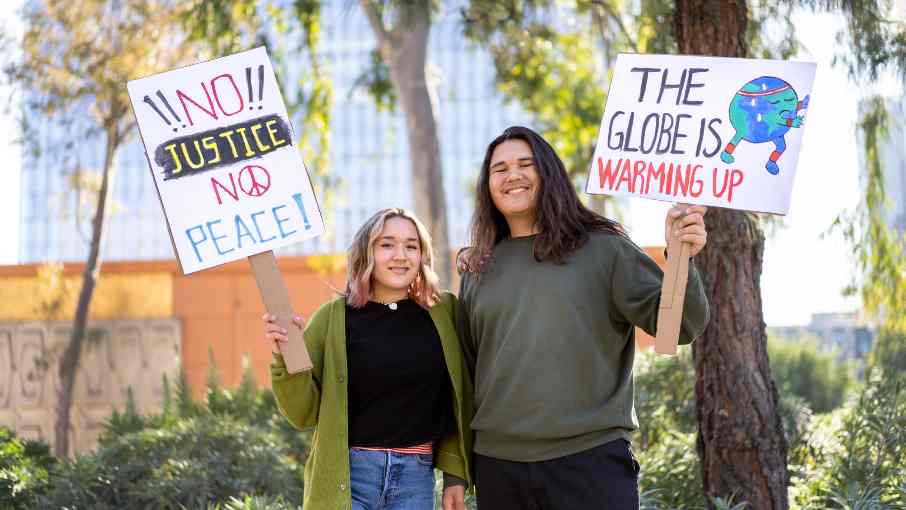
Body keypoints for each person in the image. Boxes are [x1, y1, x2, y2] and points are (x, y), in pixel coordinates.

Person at [456, 126, 710, 509]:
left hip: (590, 462)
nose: (513, 175)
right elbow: (466, 373)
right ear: (488, 184)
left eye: (526, 164)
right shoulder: (477, 269)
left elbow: (679, 327)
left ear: (549, 173)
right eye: (500, 168)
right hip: (499, 468)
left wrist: (681, 258)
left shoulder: (604, 250)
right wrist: (458, 470)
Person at [264, 208, 472, 510]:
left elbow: (458, 398)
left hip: (415, 479)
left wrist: (455, 475)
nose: (400, 255)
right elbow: (302, 414)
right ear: (367, 252)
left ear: (422, 255)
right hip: (347, 479)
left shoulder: (444, 314)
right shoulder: (332, 318)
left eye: (411, 246)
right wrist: (285, 354)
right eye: (387, 244)